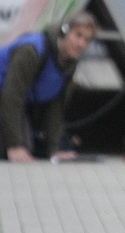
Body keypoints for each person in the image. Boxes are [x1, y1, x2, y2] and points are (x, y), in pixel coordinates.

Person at [0, 11, 97, 162]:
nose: (81, 44)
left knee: (26, 149)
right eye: (78, 35)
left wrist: (54, 150)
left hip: (10, 101)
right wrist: (14, 145)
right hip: (6, 97)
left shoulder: (69, 63)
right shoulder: (32, 50)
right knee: (13, 149)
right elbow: (11, 97)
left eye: (87, 40)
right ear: (65, 32)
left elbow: (55, 106)